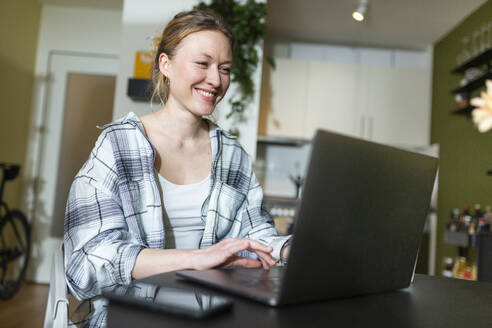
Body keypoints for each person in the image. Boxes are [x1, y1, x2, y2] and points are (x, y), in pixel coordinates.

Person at [63, 9, 291, 327]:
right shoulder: (117, 144)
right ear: (165, 65)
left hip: (211, 315)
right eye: (203, 63)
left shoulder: (233, 155)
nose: (216, 79)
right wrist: (194, 260)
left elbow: (256, 234)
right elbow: (84, 263)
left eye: (224, 68)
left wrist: (289, 250)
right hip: (129, 316)